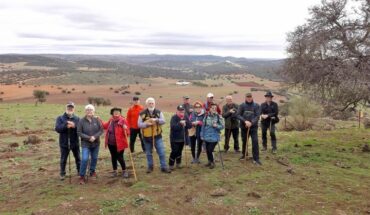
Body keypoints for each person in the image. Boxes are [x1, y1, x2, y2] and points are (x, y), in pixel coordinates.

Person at [138, 97, 171, 173]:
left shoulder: (158, 112)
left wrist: (156, 120)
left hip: (157, 136)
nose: (151, 104)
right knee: (149, 153)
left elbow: (163, 121)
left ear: (154, 104)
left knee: (161, 152)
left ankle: (164, 167)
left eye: (152, 103)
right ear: (147, 104)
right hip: (146, 137)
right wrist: (146, 124)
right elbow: (139, 124)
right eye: (149, 103)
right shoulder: (142, 113)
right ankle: (150, 167)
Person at [77, 104, 104, 184]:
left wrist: (94, 137)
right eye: (88, 110)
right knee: (85, 159)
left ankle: (92, 171)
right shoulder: (81, 121)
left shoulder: (97, 120)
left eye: (91, 110)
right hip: (85, 144)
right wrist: (89, 138)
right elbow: (79, 132)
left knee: (94, 158)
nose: (89, 111)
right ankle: (82, 176)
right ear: (85, 111)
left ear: (93, 111)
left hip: (96, 143)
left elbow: (101, 130)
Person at [101, 107, 130, 178]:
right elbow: (105, 126)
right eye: (115, 112)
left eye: (118, 112)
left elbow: (128, 133)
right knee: (113, 157)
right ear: (112, 113)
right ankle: (115, 171)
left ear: (120, 113)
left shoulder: (123, 120)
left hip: (120, 143)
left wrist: (125, 128)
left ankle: (124, 171)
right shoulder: (111, 120)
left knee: (120, 157)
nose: (116, 113)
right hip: (111, 143)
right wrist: (99, 120)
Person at [55, 102, 80, 181]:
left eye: (71, 107)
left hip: (75, 142)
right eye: (69, 107)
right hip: (64, 143)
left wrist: (74, 126)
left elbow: (80, 130)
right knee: (63, 159)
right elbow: (58, 129)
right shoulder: (60, 118)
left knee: (78, 158)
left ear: (74, 109)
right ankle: (62, 173)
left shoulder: (77, 118)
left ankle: (79, 171)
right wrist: (66, 124)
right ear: (66, 108)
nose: (70, 109)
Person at [237, 93, 262, 165]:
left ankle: (256, 158)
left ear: (252, 97)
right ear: (245, 97)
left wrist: (251, 122)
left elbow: (257, 116)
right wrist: (245, 121)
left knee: (255, 141)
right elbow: (238, 115)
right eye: (247, 97)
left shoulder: (256, 106)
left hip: (253, 127)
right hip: (244, 127)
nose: (249, 98)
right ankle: (244, 154)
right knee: (244, 141)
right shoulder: (242, 105)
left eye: (250, 97)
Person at [200, 103, 224, 169]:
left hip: (214, 137)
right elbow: (203, 127)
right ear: (210, 109)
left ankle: (213, 162)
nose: (214, 109)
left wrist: (216, 126)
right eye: (212, 108)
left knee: (210, 150)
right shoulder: (206, 116)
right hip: (206, 136)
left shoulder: (219, 117)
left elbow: (222, 126)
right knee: (207, 150)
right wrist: (202, 135)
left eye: (215, 108)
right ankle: (209, 161)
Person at [168, 105, 192, 170]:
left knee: (179, 151)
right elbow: (173, 127)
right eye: (180, 111)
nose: (181, 113)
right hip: (174, 138)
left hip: (182, 138)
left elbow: (190, 126)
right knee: (174, 151)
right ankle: (171, 164)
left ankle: (178, 163)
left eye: (183, 111)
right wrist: (180, 124)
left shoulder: (185, 117)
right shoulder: (174, 117)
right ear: (177, 111)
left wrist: (186, 122)